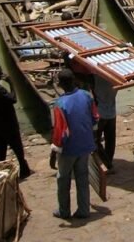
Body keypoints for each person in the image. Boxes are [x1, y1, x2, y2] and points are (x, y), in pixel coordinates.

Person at [50, 68, 98, 221]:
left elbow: (59, 132)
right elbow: (95, 118)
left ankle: (64, 211)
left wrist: (53, 152)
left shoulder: (60, 104)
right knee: (82, 177)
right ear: (73, 80)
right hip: (85, 145)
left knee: (63, 179)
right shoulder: (86, 95)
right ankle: (83, 210)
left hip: (69, 148)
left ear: (61, 84)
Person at [0, 61, 33, 178]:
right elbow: (13, 99)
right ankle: (24, 170)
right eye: (0, 71)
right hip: (8, 124)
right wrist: (11, 83)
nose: (2, 73)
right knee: (17, 147)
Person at [93, 74, 117, 172]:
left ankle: (106, 163)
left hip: (100, 113)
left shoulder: (96, 75)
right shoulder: (116, 77)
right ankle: (109, 161)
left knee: (95, 140)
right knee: (110, 139)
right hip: (111, 112)